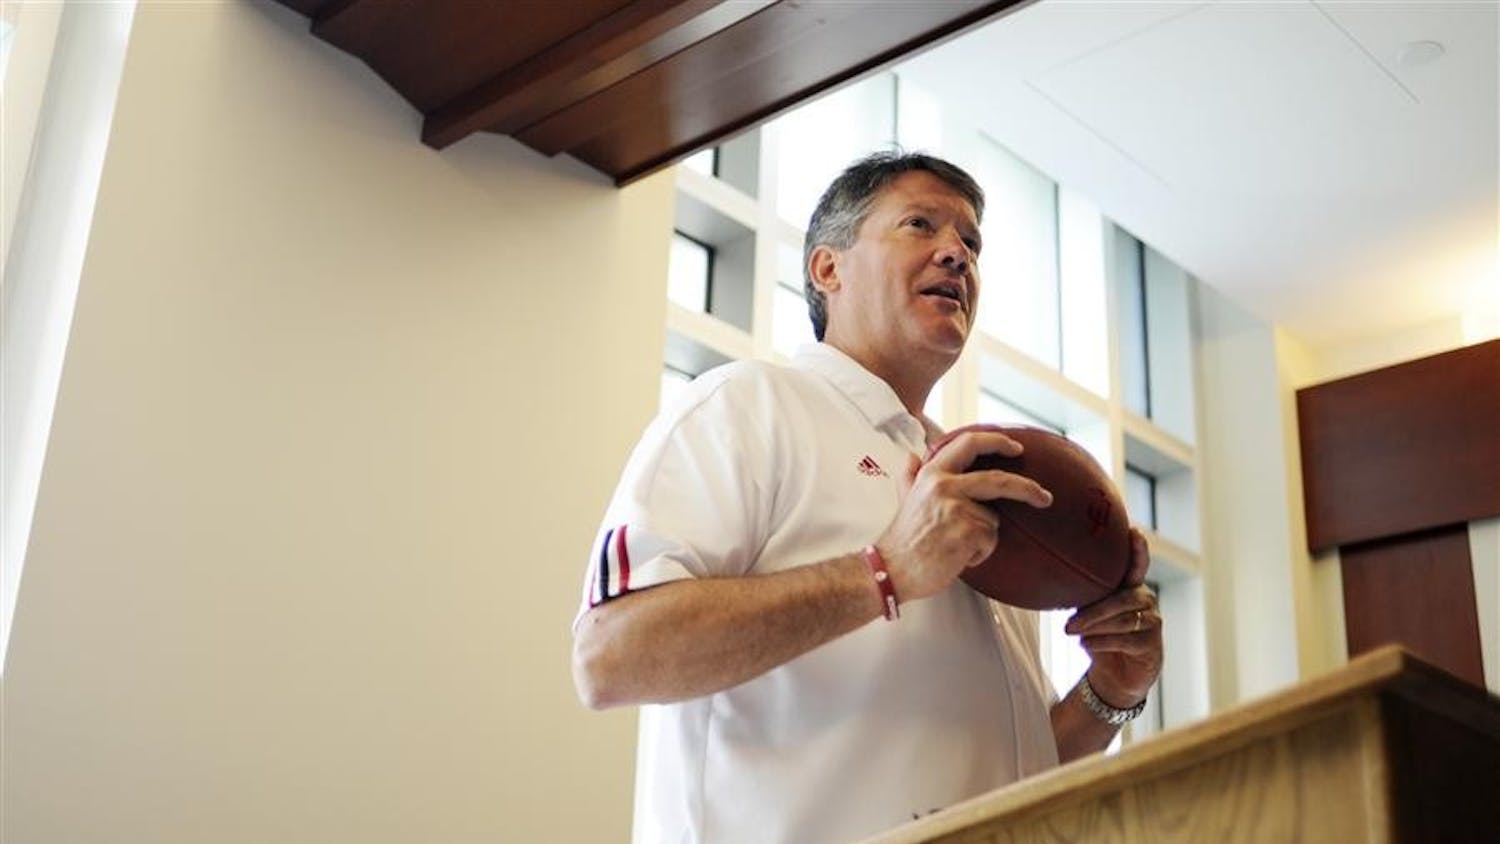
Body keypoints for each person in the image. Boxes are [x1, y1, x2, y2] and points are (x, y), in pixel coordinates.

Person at [572, 151, 1163, 844]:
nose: (956, 255)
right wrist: (883, 573)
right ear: (829, 270)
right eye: (921, 225)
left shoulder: (984, 480)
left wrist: (1111, 692)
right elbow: (610, 656)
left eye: (971, 243)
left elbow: (1011, 774)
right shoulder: (747, 405)